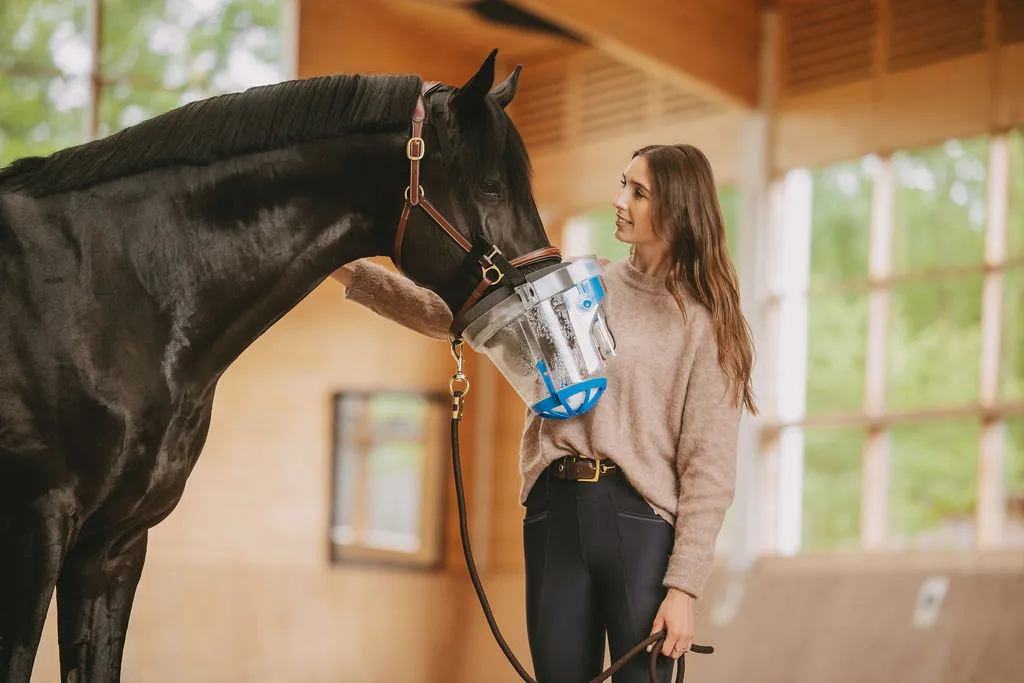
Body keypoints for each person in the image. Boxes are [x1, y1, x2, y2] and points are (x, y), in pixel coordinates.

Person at [331, 143, 756, 683]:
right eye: (622, 183)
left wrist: (684, 589)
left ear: (677, 208)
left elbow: (710, 472)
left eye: (638, 191)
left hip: (641, 528)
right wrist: (346, 270)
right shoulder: (577, 283)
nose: (619, 200)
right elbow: (452, 316)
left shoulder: (704, 323)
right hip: (555, 515)